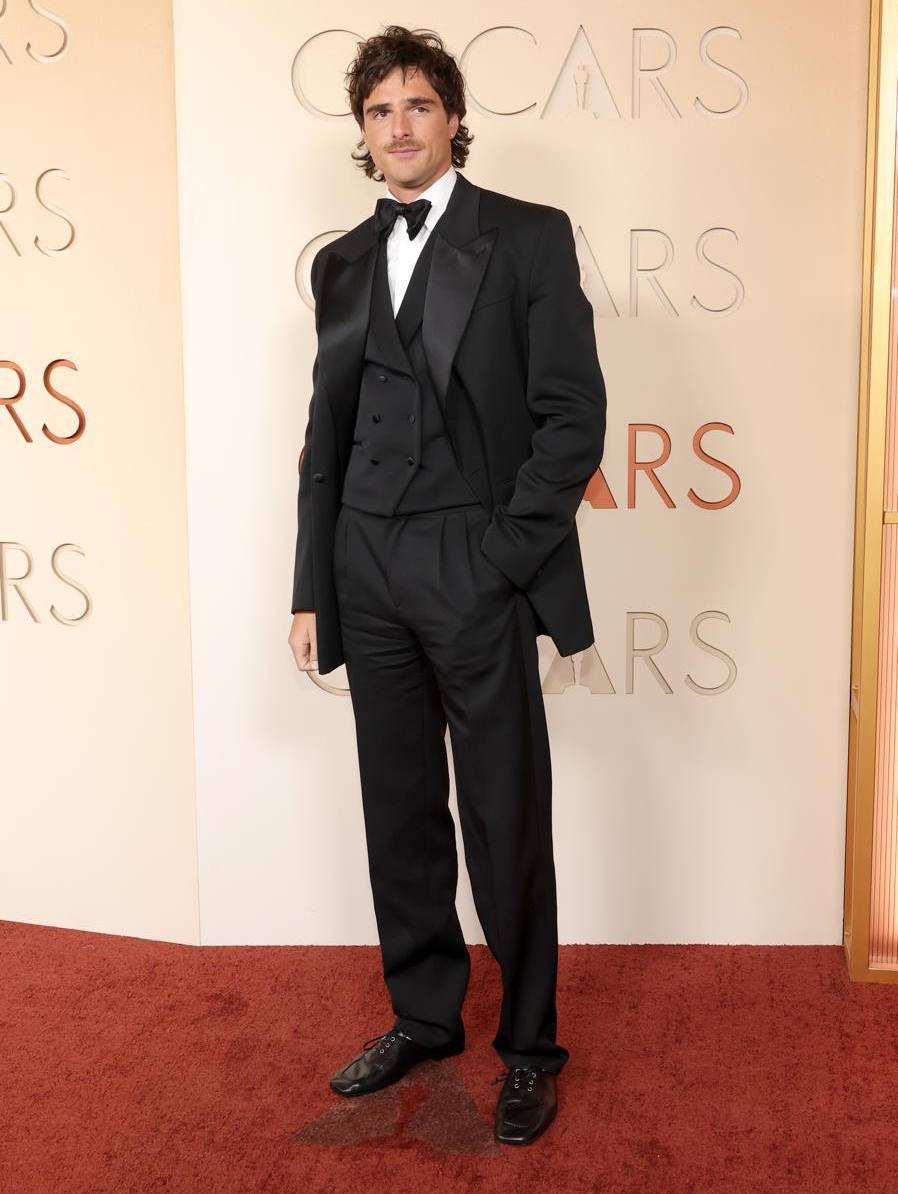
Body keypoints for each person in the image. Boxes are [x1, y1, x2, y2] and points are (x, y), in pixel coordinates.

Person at [288, 24, 606, 1146]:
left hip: (471, 562)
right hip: (364, 563)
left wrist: (502, 557)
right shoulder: (339, 262)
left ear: (454, 119)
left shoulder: (525, 237)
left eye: (418, 105)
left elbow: (572, 417)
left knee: (504, 813)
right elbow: (325, 436)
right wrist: (312, 584)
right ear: (363, 131)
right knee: (399, 808)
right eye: (380, 110)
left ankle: (529, 1048)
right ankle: (425, 1016)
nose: (399, 127)